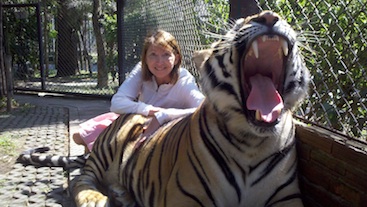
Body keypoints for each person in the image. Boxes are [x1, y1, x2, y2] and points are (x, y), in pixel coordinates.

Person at [73, 30, 205, 153]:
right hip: (139, 122)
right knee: (78, 136)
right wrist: (150, 110)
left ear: (176, 58)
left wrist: (165, 115)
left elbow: (203, 107)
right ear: (145, 59)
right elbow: (117, 103)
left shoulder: (184, 79)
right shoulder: (141, 71)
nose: (159, 62)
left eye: (166, 55)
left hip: (168, 130)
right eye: (153, 55)